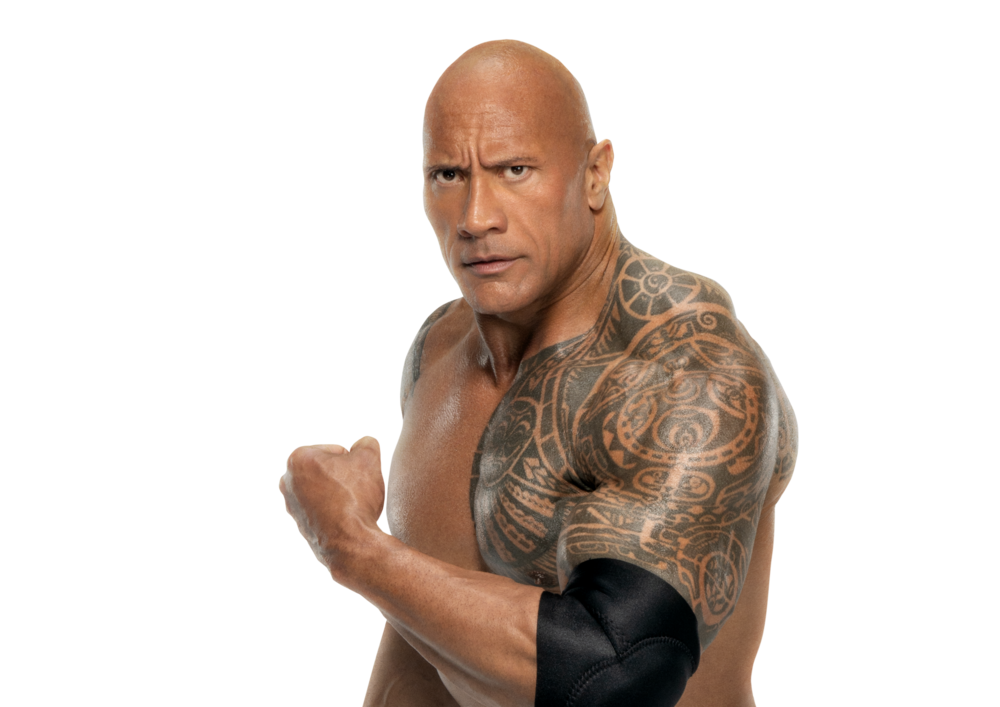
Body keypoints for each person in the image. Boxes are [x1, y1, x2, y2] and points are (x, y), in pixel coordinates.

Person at [279, 37, 798, 707]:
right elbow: (422, 631)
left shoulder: (691, 372)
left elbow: (617, 671)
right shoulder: (441, 344)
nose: (476, 218)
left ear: (596, 172)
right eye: (448, 175)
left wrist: (350, 545)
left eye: (515, 169)